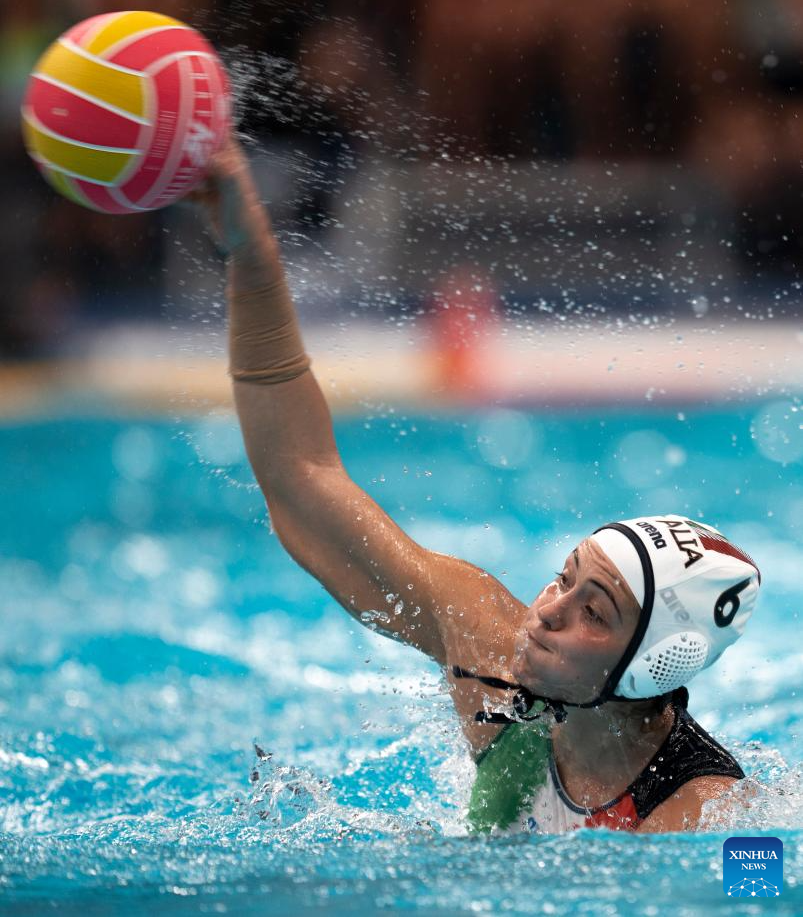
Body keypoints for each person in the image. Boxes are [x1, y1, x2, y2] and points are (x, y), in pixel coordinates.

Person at [187, 135, 762, 835]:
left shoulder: (713, 820)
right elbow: (301, 480)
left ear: (651, 666)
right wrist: (249, 253)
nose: (545, 612)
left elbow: (767, 888)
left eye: (594, 611)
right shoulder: (494, 660)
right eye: (564, 577)